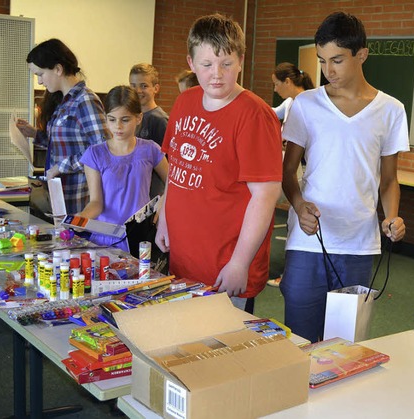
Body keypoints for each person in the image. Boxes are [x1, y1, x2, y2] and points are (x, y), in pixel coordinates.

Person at [280, 12, 409, 343]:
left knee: (345, 346)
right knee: (299, 340)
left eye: (337, 60)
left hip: (359, 245)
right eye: (322, 60)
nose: (328, 71)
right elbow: (288, 169)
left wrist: (392, 215)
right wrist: (298, 203)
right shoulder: (306, 104)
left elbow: (389, 179)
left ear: (361, 54)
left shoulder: (391, 110)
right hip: (308, 240)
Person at [155, 14, 282, 313]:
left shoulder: (255, 115)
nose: (216, 74)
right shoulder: (184, 102)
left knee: (219, 352)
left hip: (226, 265)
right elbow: (175, 170)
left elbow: (265, 195)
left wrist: (240, 262)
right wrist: (164, 217)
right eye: (206, 64)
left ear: (240, 60)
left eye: (226, 64)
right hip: (184, 258)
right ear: (190, 62)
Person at [17, 38, 107, 216]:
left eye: (40, 74)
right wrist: (35, 134)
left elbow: (102, 150)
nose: (40, 82)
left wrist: (61, 167)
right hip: (61, 196)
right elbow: (66, 144)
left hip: (79, 198)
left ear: (58, 69)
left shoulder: (85, 100)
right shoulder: (63, 101)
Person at [78, 86, 168, 252]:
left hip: (139, 236)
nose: (118, 126)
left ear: (138, 118)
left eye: (125, 120)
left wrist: (161, 203)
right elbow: (96, 203)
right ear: (105, 119)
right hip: (105, 238)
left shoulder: (150, 149)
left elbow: (173, 180)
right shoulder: (95, 154)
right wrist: (81, 219)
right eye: (112, 119)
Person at [267, 62, 315, 288]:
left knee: (297, 220)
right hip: (291, 167)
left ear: (288, 82)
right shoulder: (290, 102)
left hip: (305, 171)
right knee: (292, 220)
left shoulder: (308, 103)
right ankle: (289, 272)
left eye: (277, 84)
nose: (275, 89)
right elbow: (268, 114)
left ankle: (290, 274)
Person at [129, 63, 169, 198]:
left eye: (144, 86)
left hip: (151, 194)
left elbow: (167, 164)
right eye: (133, 85)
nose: (138, 90)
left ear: (156, 88)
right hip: (135, 191)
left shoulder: (160, 121)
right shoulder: (131, 118)